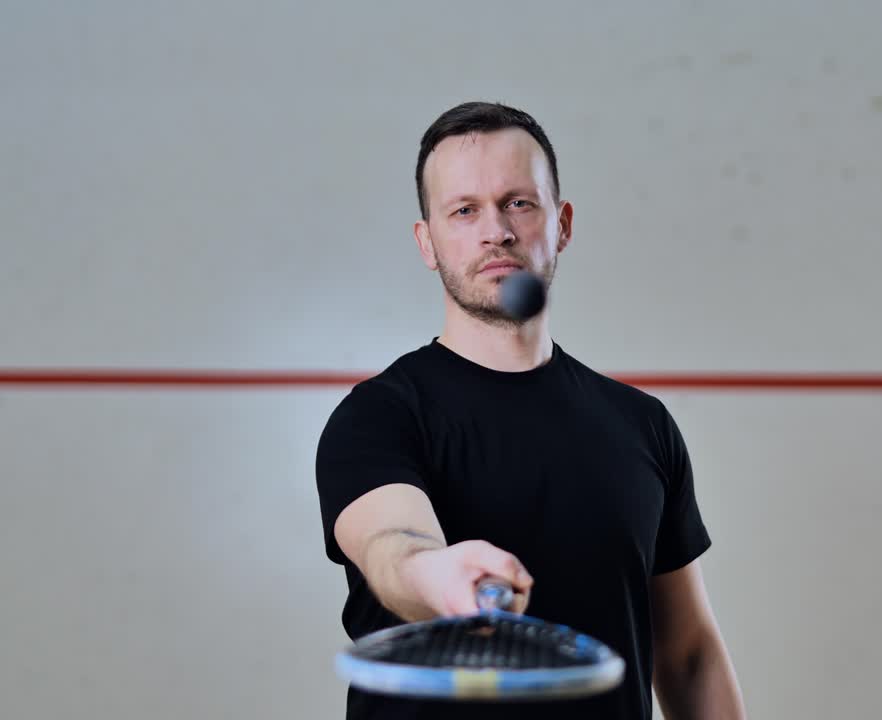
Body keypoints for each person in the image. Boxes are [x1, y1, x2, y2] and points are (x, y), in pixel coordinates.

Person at [315, 101, 746, 719]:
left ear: (561, 223)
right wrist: (436, 574)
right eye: (464, 211)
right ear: (427, 242)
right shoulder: (377, 417)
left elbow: (688, 657)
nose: (497, 230)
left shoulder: (642, 425)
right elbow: (390, 543)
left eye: (519, 202)